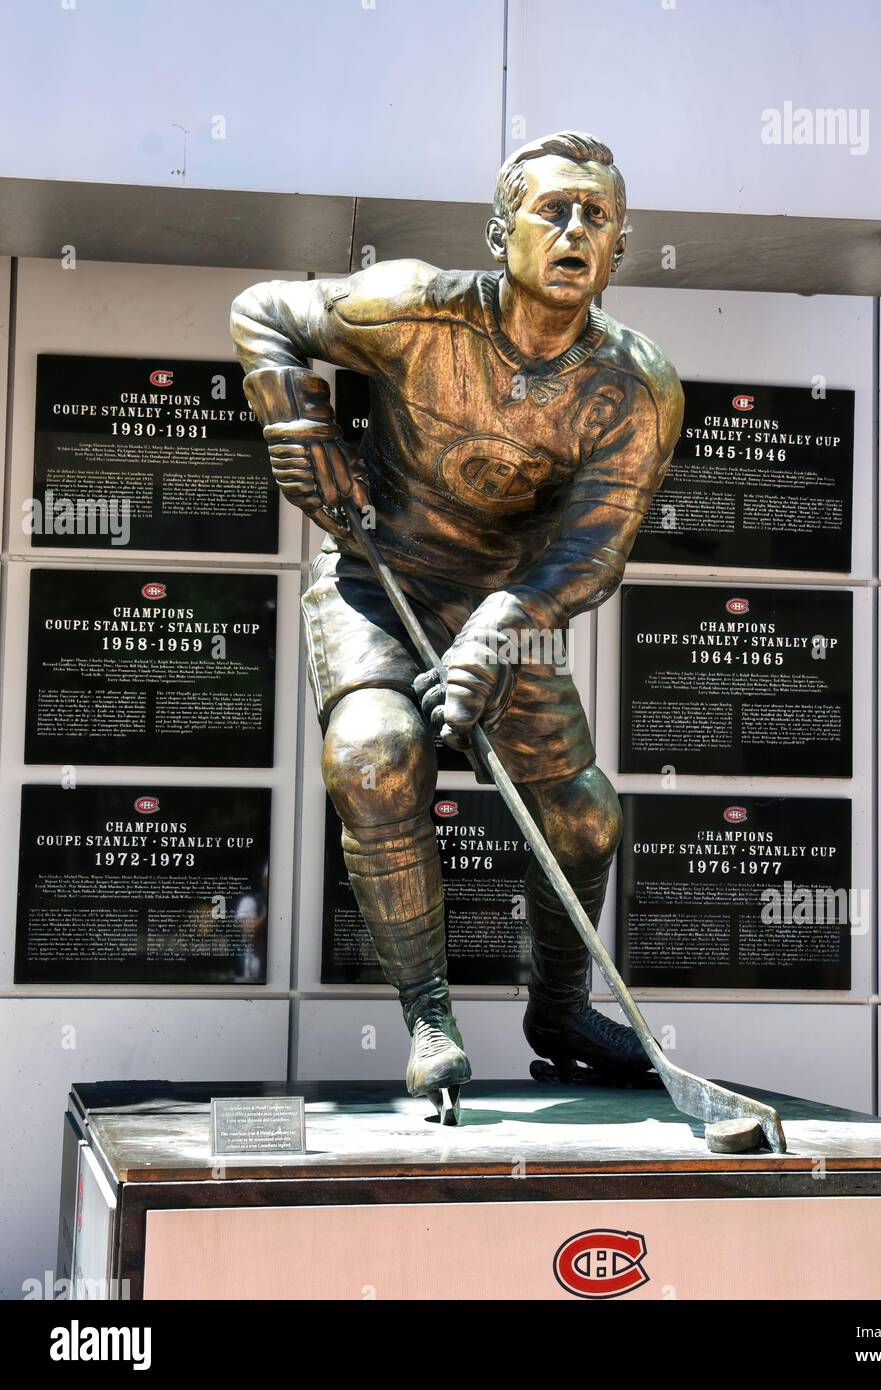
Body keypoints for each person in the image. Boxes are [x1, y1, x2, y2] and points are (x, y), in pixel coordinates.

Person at [231, 131, 683, 1117]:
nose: (574, 231)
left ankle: (558, 1012)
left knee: (584, 817)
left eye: (595, 217)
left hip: (506, 599)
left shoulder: (634, 385)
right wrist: (298, 425)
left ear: (618, 246)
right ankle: (428, 1017)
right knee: (372, 755)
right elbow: (261, 311)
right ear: (498, 230)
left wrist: (498, 628)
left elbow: (595, 548)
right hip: (376, 576)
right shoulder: (414, 307)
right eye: (551, 210)